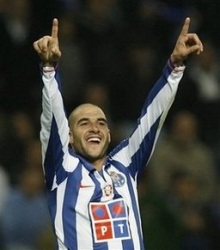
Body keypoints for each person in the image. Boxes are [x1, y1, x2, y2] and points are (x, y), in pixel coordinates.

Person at [33, 17, 203, 250]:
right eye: (84, 123)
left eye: (101, 123)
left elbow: (152, 118)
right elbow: (52, 120)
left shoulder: (124, 164)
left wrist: (175, 66)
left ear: (110, 134)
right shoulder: (63, 169)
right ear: (69, 137)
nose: (94, 127)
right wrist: (50, 71)